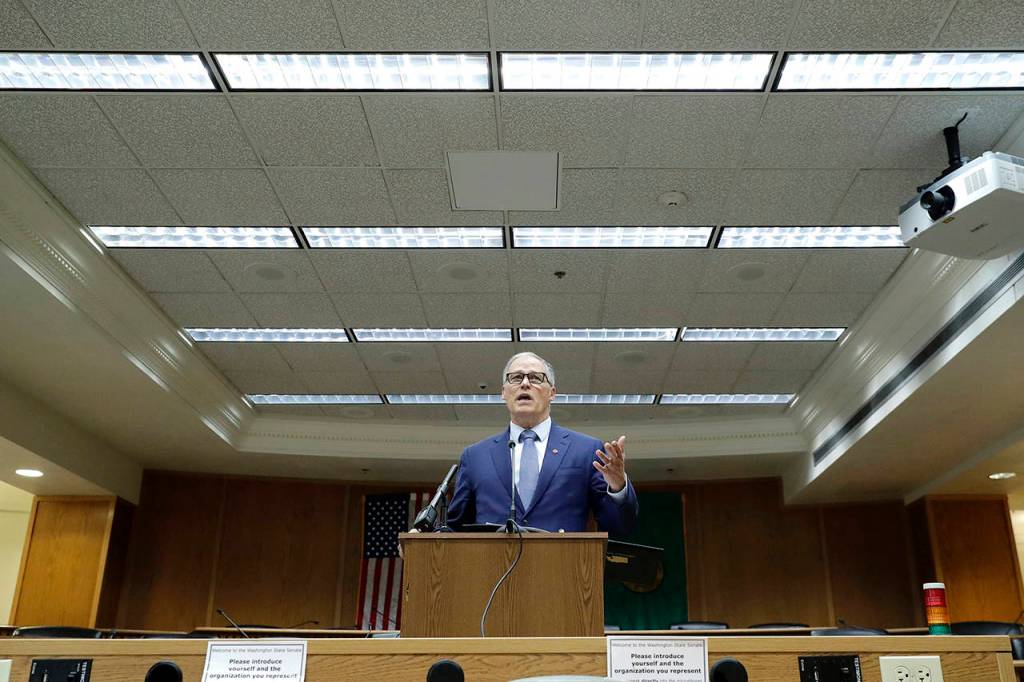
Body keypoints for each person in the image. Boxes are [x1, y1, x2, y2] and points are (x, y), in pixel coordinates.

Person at [447, 351, 638, 535]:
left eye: (535, 378)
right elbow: (455, 529)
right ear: (503, 392)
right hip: (494, 558)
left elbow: (620, 527)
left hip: (562, 557)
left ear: (552, 393)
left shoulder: (587, 451)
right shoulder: (475, 456)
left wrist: (618, 487)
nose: (525, 384)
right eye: (516, 378)